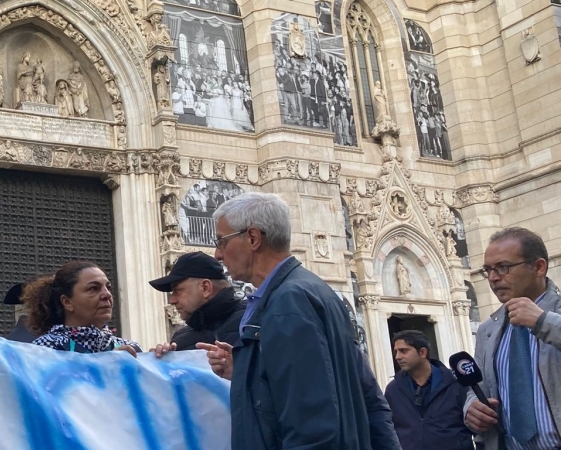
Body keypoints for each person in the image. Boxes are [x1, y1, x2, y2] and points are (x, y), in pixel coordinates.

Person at [205, 192, 399, 450]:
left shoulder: (288, 302)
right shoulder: (315, 290)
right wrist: (245, 369)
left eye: (222, 241)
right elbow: (359, 393)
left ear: (252, 238)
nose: (218, 254)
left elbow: (311, 421)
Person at [464, 227, 561, 449]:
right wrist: (471, 408)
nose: (493, 278)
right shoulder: (488, 329)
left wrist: (543, 322)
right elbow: (478, 386)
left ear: (538, 267)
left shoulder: (554, 317)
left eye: (503, 267)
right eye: (487, 270)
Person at [22, 261, 141, 355]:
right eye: (93, 288)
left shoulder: (131, 350)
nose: (107, 295)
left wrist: (156, 363)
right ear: (67, 302)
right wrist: (106, 366)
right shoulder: (44, 350)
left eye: (108, 288)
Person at [384, 329, 473, 450]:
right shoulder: (393, 389)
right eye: (396, 352)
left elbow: (476, 426)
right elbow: (388, 428)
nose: (398, 357)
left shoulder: (456, 384)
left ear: (422, 352)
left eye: (403, 351)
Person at [149, 251, 245, 354]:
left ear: (205, 288)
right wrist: (163, 364)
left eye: (177, 290)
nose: (171, 300)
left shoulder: (254, 319)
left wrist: (236, 366)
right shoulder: (180, 341)